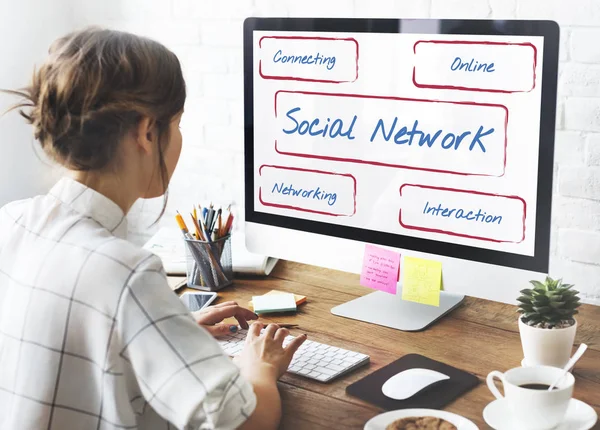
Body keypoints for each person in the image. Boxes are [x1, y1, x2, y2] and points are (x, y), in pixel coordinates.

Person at [0, 27, 306, 430]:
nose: (177, 139)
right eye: (176, 124)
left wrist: (164, 330)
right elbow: (246, 422)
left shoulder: (11, 221)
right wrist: (259, 367)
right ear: (147, 132)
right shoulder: (126, 272)